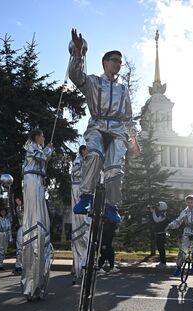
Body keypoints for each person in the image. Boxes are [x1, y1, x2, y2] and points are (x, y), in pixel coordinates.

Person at [69, 29, 139, 224]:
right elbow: (75, 76)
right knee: (94, 154)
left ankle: (111, 206)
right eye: (114, 60)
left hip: (117, 130)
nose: (117, 64)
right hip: (97, 126)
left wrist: (133, 139)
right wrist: (78, 54)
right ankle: (85, 197)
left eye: (119, 61)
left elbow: (128, 117)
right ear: (105, 62)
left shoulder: (122, 90)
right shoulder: (93, 82)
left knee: (115, 167)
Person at [21, 128, 54, 300]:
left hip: (38, 182)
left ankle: (39, 283)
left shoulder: (37, 148)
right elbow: (42, 157)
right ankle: (30, 284)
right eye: (42, 135)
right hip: (32, 181)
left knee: (42, 223)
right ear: (36, 136)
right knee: (34, 222)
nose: (44, 137)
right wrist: (49, 149)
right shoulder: (30, 146)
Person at [166, 195, 193, 276]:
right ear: (186, 202)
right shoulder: (184, 212)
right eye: (188, 202)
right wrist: (169, 226)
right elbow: (178, 221)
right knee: (183, 249)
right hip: (187, 231)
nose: (189, 204)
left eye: (191, 202)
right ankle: (178, 268)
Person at [71, 145, 90, 284]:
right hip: (78, 190)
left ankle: (83, 264)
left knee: (86, 225)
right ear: (82, 151)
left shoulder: (86, 160)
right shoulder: (78, 161)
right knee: (79, 225)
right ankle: (78, 267)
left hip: (84, 190)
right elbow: (76, 172)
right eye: (86, 150)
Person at [149, 201, 169, 268]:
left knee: (161, 248)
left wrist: (153, 212)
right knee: (160, 248)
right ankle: (162, 262)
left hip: (161, 234)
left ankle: (163, 262)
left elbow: (157, 220)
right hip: (158, 233)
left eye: (159, 206)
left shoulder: (164, 214)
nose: (158, 207)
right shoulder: (161, 213)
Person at [12, 197, 24, 275]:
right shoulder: (21, 209)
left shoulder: (35, 209)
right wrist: (19, 206)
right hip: (23, 229)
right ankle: (19, 266)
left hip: (32, 230)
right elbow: (19, 215)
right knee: (20, 249)